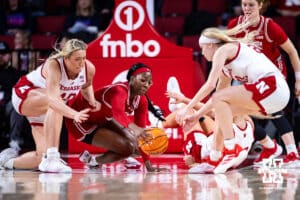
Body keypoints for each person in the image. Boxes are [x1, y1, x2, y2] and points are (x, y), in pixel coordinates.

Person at [175, 25, 290, 173]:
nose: (202, 52)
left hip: (274, 87)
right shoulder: (225, 67)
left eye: (202, 48)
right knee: (221, 111)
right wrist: (196, 115)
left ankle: (231, 150)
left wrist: (186, 108)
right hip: (270, 96)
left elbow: (210, 85)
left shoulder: (224, 50)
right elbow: (215, 100)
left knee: (222, 99)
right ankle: (214, 159)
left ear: (210, 45)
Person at [0, 38, 100, 173]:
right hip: (25, 95)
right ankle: (53, 158)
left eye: (84, 58)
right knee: (56, 102)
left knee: (40, 157)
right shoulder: (54, 65)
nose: (81, 63)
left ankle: (6, 162)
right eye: (77, 59)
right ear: (66, 58)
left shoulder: (88, 68)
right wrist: (74, 114)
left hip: (45, 108)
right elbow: (53, 100)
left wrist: (92, 102)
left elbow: (86, 87)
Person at [227, 0, 300, 166]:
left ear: (260, 5)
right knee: (235, 113)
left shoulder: (270, 27)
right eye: (244, 4)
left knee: (272, 109)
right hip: (247, 74)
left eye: (251, 5)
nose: (246, 8)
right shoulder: (234, 25)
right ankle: (270, 147)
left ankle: (292, 153)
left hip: (271, 74)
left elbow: (292, 51)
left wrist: (298, 80)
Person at [65, 63, 166, 172]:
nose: (146, 85)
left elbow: (141, 137)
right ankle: (123, 153)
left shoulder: (142, 100)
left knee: (137, 148)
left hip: (103, 119)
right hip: (81, 120)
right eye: (143, 80)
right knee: (128, 148)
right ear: (132, 79)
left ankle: (92, 161)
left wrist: (148, 166)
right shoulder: (119, 90)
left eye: (149, 82)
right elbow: (118, 113)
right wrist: (135, 129)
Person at [164, 80, 254, 173]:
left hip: (200, 151)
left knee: (186, 112)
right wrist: (184, 99)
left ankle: (160, 122)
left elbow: (214, 162)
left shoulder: (229, 118)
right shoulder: (248, 120)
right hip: (220, 148)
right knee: (203, 116)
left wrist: (196, 162)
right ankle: (180, 103)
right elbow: (210, 111)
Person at [0, 41, 24, 152]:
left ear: (9, 55)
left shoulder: (15, 74)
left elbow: (19, 93)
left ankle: (15, 141)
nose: (0, 56)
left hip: (7, 105)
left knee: (16, 106)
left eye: (3, 53)